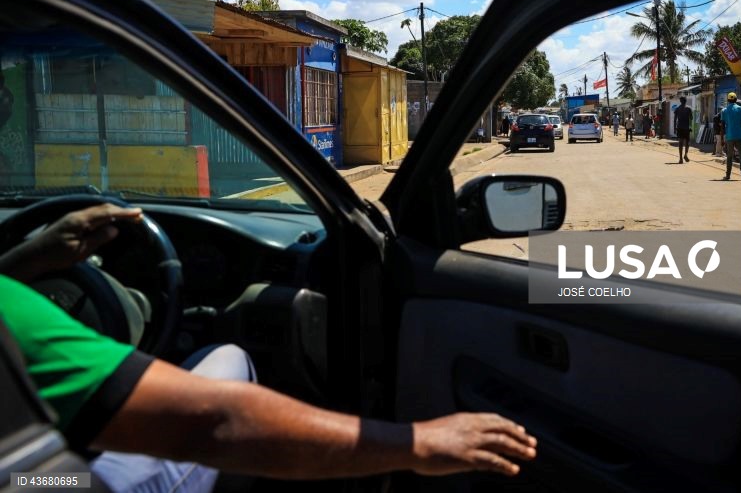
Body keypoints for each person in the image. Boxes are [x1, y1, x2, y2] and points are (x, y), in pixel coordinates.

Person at [0, 204, 538, 492]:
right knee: (229, 362)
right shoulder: (12, 314)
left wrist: (25, 262)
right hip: (46, 485)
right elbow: (212, 425)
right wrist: (418, 443)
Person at [720, 91, 741, 181]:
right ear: (736, 100)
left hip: (730, 136)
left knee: (729, 156)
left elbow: (722, 126)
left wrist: (722, 139)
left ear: (728, 100)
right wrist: (740, 129)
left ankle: (728, 175)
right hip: (740, 135)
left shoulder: (724, 111)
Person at [674, 96, 693, 164]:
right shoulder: (688, 109)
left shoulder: (677, 109)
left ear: (680, 101)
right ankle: (685, 155)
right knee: (687, 143)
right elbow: (691, 118)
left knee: (680, 143)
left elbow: (675, 119)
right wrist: (690, 127)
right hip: (686, 128)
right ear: (686, 101)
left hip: (680, 128)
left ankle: (680, 158)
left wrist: (674, 128)